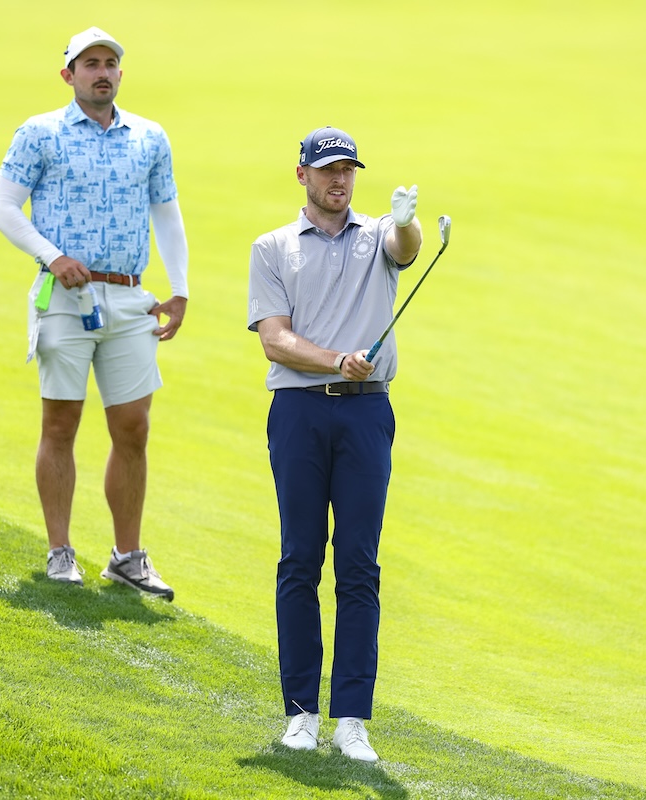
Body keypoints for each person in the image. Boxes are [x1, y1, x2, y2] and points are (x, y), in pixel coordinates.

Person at [0, 27, 188, 601]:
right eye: (89, 64)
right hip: (65, 299)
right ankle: (60, 551)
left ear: (120, 74)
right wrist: (51, 257)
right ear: (69, 75)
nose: (101, 72)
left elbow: (167, 214)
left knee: (134, 428)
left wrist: (179, 289)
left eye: (110, 64)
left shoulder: (150, 138)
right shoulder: (40, 133)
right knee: (61, 424)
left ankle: (127, 557)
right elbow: (3, 207)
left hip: (129, 298)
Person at [247, 126, 423, 762]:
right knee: (299, 559)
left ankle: (352, 718)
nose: (339, 180)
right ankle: (300, 713)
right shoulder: (272, 248)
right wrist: (335, 361)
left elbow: (406, 248)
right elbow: (274, 339)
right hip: (297, 413)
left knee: (358, 564)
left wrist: (408, 223)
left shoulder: (378, 235)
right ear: (302, 175)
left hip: (366, 416)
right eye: (327, 170)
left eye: (348, 169)